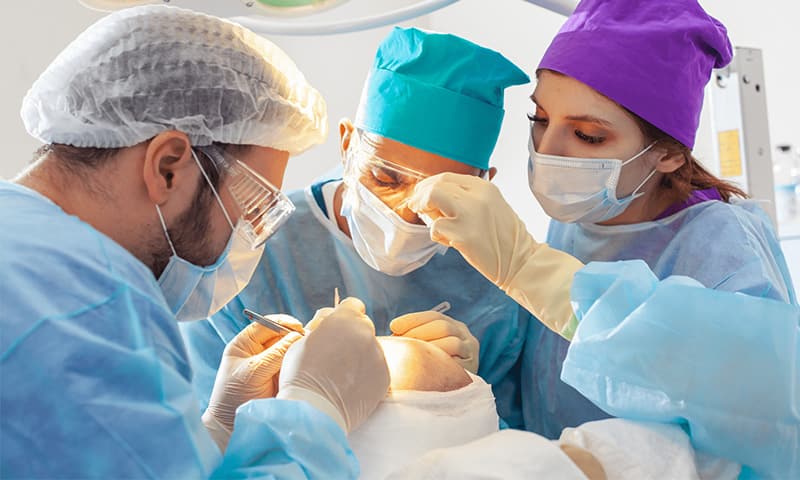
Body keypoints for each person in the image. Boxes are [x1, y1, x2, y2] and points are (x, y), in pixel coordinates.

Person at [406, 0, 798, 477]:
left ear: (668, 154)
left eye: (588, 136)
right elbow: (548, 399)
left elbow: (761, 415)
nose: (548, 151)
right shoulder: (579, 223)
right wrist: (470, 379)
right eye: (540, 119)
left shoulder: (721, 244)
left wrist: (530, 270)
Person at [0, 6, 389, 478]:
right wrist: (315, 407)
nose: (252, 238)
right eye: (254, 207)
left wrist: (216, 431)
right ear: (168, 166)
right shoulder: (86, 307)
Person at [180, 26, 539, 429]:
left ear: (482, 187)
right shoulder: (255, 248)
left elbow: (512, 450)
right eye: (385, 179)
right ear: (348, 143)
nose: (404, 214)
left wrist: (465, 395)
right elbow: (201, 440)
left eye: (438, 195)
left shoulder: (492, 279)